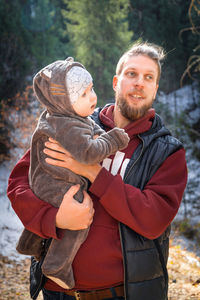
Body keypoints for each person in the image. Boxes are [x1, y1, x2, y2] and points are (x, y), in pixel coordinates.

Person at [7, 42, 188, 300]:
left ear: (156, 89)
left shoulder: (167, 151)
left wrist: (93, 173)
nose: (140, 83)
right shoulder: (68, 125)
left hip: (120, 294)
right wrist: (56, 219)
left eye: (149, 77)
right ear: (116, 81)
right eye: (132, 74)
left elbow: (154, 219)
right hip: (57, 292)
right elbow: (18, 185)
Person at [15, 57, 129, 290]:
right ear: (65, 102)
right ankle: (57, 264)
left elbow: (88, 127)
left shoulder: (64, 116)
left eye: (92, 89)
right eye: (84, 94)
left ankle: (31, 243)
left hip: (48, 178)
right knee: (80, 216)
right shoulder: (67, 125)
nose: (94, 97)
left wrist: (98, 132)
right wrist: (114, 138)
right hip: (52, 182)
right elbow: (89, 153)